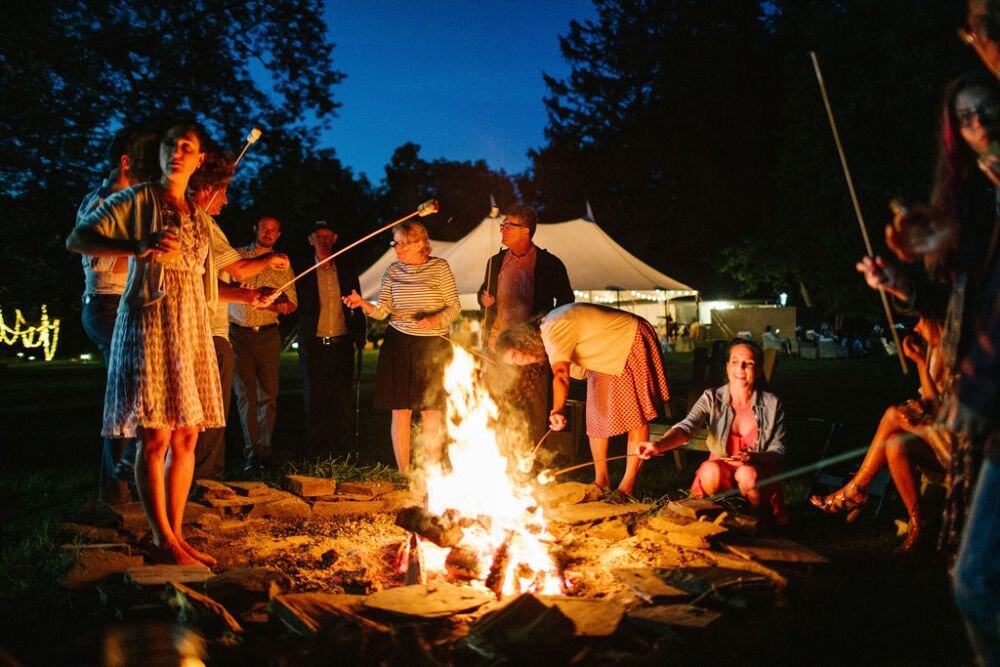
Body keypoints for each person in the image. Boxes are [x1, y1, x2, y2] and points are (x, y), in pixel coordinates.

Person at [855, 58, 1000, 662]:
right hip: (987, 420)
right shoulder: (983, 210)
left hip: (988, 408)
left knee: (976, 581)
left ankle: (858, 494)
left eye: (988, 111)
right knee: (976, 581)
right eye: (965, 119)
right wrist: (904, 287)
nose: (979, 126)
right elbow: (966, 302)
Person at [67, 120, 226, 567]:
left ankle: (177, 535)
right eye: (170, 146)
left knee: (187, 434)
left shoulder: (197, 214)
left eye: (187, 147)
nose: (177, 152)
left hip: (189, 324)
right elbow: (77, 238)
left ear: (198, 160)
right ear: (160, 156)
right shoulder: (138, 199)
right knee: (155, 434)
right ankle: (162, 539)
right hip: (150, 321)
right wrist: (136, 245)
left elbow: (203, 276)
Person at [188, 150, 290, 481]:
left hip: (222, 331)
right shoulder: (200, 222)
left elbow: (209, 283)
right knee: (210, 409)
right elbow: (238, 268)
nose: (227, 201)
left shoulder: (197, 222)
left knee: (212, 409)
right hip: (213, 333)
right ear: (208, 190)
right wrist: (269, 262)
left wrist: (250, 294)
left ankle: (205, 477)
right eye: (225, 191)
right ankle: (204, 480)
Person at [496, 303, 670, 497]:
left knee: (634, 417)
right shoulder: (546, 333)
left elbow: (561, 375)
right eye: (513, 363)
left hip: (626, 339)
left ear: (521, 341)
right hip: (603, 353)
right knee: (596, 417)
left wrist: (558, 410)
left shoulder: (553, 329)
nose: (519, 363)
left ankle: (626, 488)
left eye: (515, 356)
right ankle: (601, 481)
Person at [809, 319, 952, 552]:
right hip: (941, 440)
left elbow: (947, 414)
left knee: (893, 415)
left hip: (965, 447)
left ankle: (856, 488)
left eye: (920, 321)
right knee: (895, 443)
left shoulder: (968, 355)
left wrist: (921, 400)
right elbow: (931, 402)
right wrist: (921, 366)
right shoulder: (937, 352)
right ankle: (918, 523)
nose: (915, 328)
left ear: (938, 320)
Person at [76, 124, 159, 505]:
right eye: (142, 167)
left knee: (133, 395)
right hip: (106, 307)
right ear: (126, 163)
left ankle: (123, 488)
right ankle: (116, 494)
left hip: (121, 305)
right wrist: (139, 247)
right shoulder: (103, 202)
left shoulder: (125, 203)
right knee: (129, 393)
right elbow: (92, 253)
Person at [342, 221, 460, 473]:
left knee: (431, 410)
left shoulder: (440, 268)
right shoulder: (392, 271)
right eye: (395, 243)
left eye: (402, 243)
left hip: (433, 345)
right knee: (401, 409)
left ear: (419, 243)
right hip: (398, 342)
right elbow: (383, 311)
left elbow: (454, 307)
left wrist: (435, 319)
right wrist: (363, 303)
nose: (397, 249)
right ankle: (403, 472)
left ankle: (432, 470)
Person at [637, 339, 787, 526]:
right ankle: (722, 516)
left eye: (748, 363)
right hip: (721, 471)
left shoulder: (772, 404)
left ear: (757, 370)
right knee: (709, 471)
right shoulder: (712, 398)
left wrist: (755, 457)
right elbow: (687, 427)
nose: (740, 368)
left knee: (748, 474)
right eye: (734, 361)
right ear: (727, 367)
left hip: (757, 472)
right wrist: (658, 445)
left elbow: (778, 450)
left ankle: (756, 521)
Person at [478, 204, 574, 445]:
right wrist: (484, 300)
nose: (503, 229)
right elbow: (485, 294)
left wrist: (543, 324)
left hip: (533, 349)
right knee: (500, 404)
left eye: (509, 225)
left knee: (533, 407)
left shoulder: (549, 264)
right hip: (498, 346)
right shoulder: (495, 262)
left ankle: (530, 457)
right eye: (503, 225)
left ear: (526, 231)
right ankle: (500, 455)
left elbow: (566, 302)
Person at [228, 216, 297, 471]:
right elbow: (221, 289)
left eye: (273, 230)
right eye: (264, 228)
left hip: (268, 334)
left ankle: (265, 451)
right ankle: (250, 452)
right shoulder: (236, 257)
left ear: (278, 235)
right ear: (255, 228)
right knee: (245, 393)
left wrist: (275, 301)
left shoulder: (283, 264)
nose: (268, 233)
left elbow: (291, 304)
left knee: (268, 394)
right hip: (238, 333)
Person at [295, 220, 366, 459]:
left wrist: (360, 334)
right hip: (313, 343)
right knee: (315, 400)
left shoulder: (345, 267)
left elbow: (357, 299)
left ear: (334, 239)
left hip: (341, 343)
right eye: (319, 236)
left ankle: (342, 450)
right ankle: (317, 451)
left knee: (341, 399)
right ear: (310, 240)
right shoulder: (303, 269)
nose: (323, 241)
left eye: (328, 236)